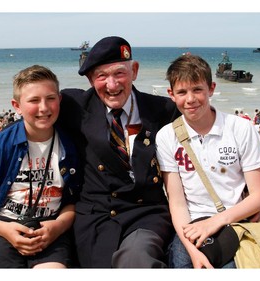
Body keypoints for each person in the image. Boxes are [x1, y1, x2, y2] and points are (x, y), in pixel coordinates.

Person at [58, 36, 181, 268]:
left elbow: (205, 136)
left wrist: (240, 191)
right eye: (101, 76)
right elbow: (30, 123)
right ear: (90, 79)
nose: (112, 85)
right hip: (96, 216)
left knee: (138, 259)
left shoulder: (163, 110)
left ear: (134, 70)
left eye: (119, 73)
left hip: (145, 212)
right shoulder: (74, 106)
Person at [0, 65, 80, 268]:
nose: (44, 107)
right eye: (34, 100)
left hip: (49, 228)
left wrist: (58, 226)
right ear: (16, 106)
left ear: (59, 100)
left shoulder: (71, 146)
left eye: (50, 98)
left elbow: (74, 200)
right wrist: (1, 228)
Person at [156, 54, 260, 269]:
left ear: (212, 88)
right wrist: (192, 249)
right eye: (182, 92)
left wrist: (214, 222)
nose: (190, 99)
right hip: (190, 225)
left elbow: (259, 195)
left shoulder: (240, 128)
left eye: (197, 89)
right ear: (171, 94)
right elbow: (177, 202)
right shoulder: (167, 136)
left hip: (234, 220)